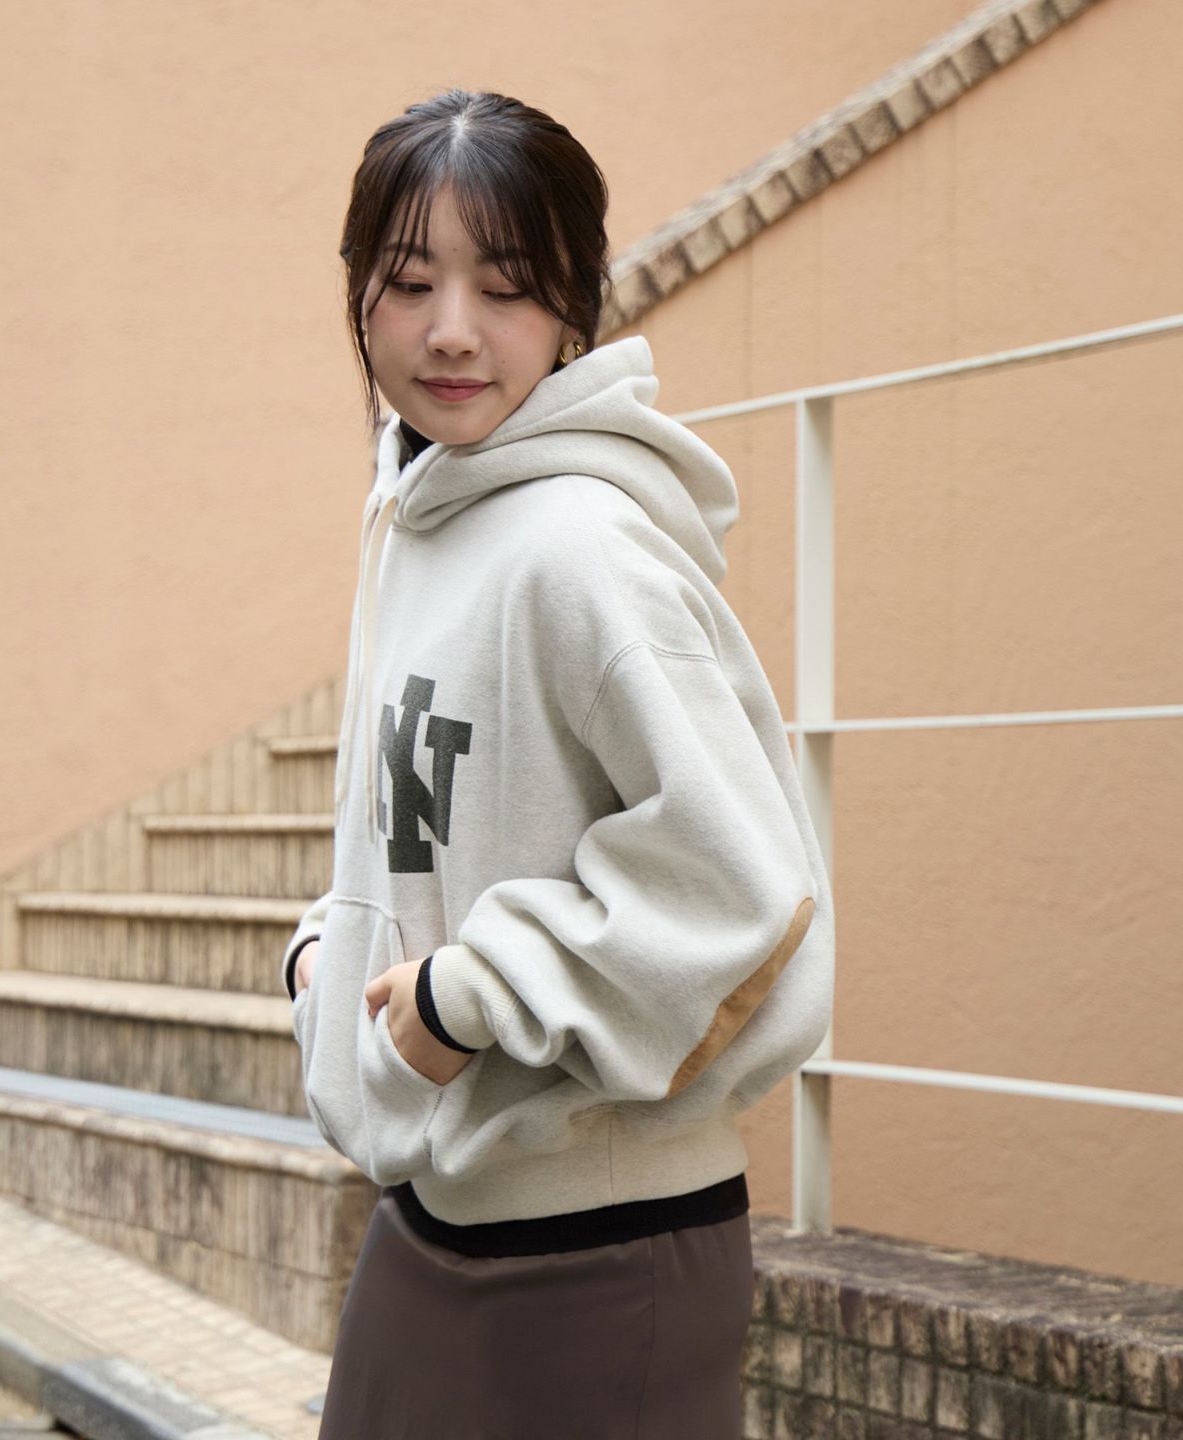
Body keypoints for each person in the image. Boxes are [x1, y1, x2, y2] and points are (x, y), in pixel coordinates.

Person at [281, 87, 834, 1440]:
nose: (451, 329)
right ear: (358, 293)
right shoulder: (421, 509)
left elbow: (743, 882)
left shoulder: (583, 549)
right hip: (443, 1206)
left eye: (506, 286)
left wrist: (472, 993)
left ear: (575, 305)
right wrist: (327, 953)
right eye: (410, 280)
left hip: (599, 1240)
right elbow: (430, 813)